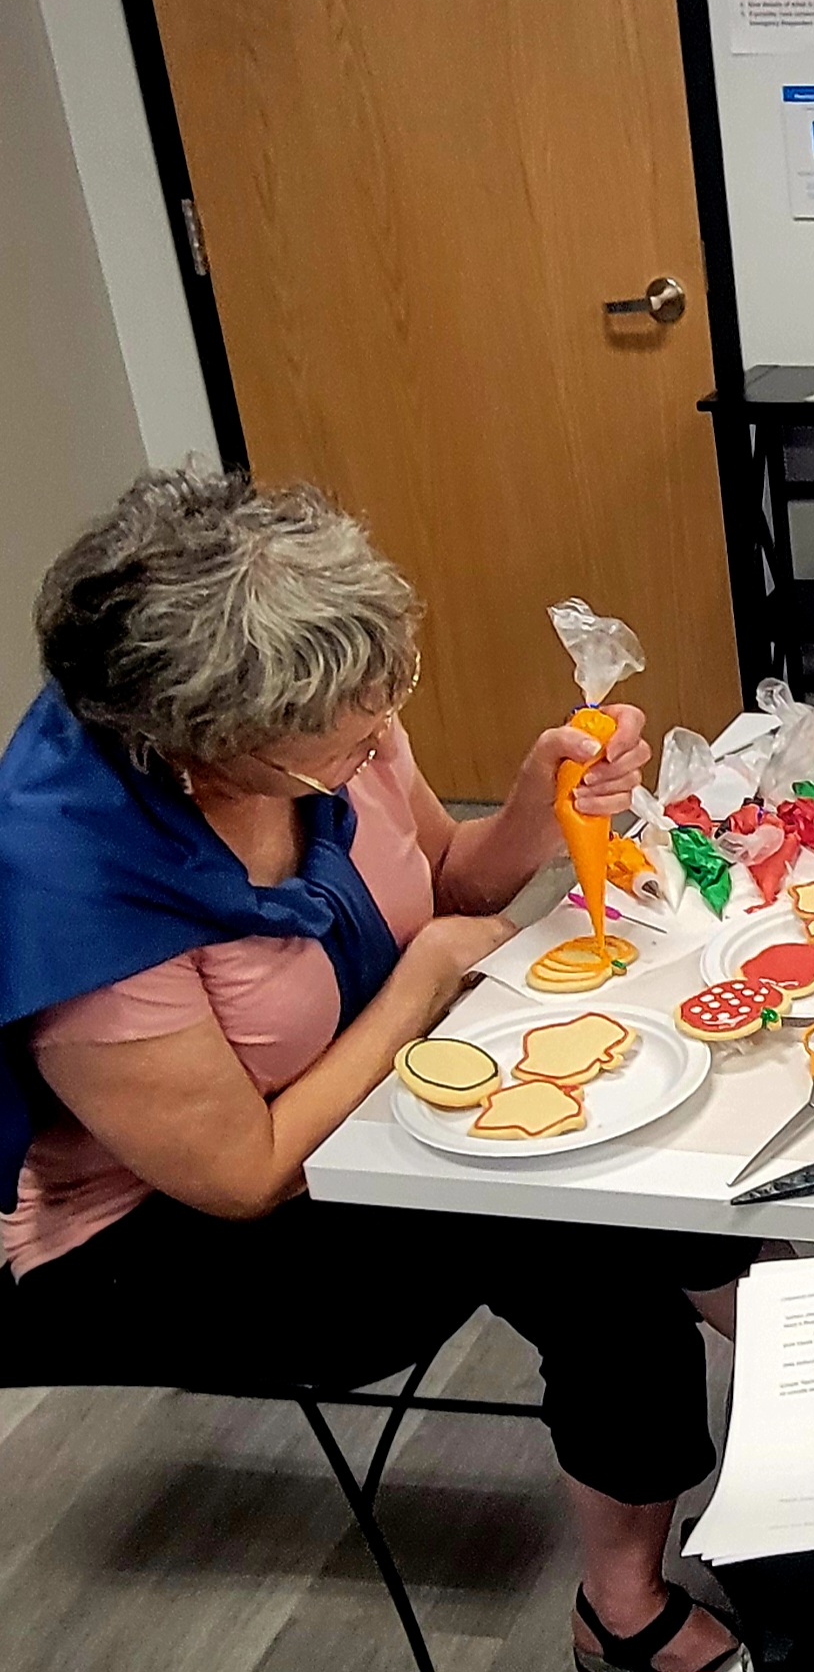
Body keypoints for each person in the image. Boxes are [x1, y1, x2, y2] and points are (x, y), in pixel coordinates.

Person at [0, 472, 753, 1672]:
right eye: (348, 735)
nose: (380, 733)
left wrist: (537, 802)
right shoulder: (69, 876)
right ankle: (622, 1609)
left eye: (383, 699)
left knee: (642, 1147)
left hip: (351, 1109)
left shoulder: (325, 721)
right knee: (578, 1235)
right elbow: (241, 1175)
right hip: (155, 1237)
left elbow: (449, 888)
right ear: (203, 740)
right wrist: (419, 988)